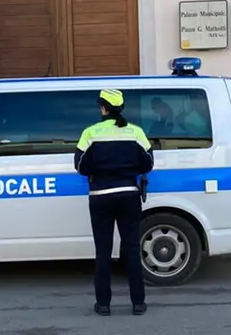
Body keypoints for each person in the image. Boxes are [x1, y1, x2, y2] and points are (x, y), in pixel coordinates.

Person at [74, 88, 155, 316]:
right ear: (121, 108)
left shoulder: (90, 132)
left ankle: (103, 305)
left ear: (103, 108)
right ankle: (138, 303)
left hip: (100, 197)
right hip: (129, 195)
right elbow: (148, 163)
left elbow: (80, 166)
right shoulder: (136, 132)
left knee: (103, 251)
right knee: (132, 249)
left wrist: (97, 170)